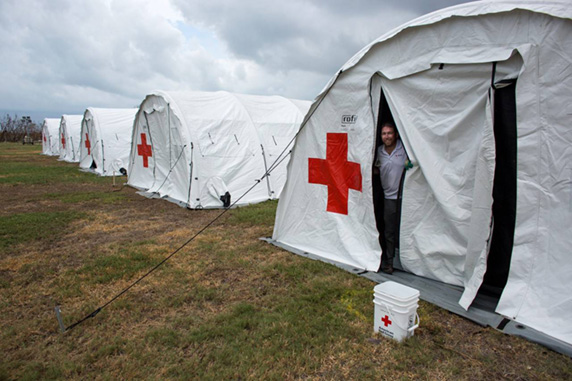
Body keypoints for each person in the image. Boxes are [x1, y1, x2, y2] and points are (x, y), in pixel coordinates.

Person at [375, 122, 407, 274]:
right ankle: (389, 261)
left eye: (389, 133)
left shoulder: (405, 148)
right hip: (388, 198)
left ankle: (407, 261)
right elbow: (375, 169)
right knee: (388, 231)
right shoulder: (379, 151)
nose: (386, 136)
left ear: (396, 135)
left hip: (405, 197)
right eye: (384, 134)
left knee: (405, 230)